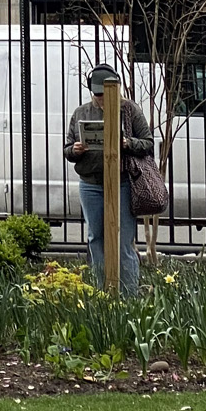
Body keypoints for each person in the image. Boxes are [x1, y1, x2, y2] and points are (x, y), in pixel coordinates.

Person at [65, 61, 151, 294]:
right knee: (95, 237)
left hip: (122, 183)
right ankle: (101, 292)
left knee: (123, 241)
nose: (100, 99)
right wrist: (75, 150)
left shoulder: (130, 110)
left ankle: (128, 295)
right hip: (90, 184)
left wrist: (127, 143)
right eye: (96, 94)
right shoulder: (81, 113)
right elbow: (67, 149)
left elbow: (148, 143)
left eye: (104, 94)